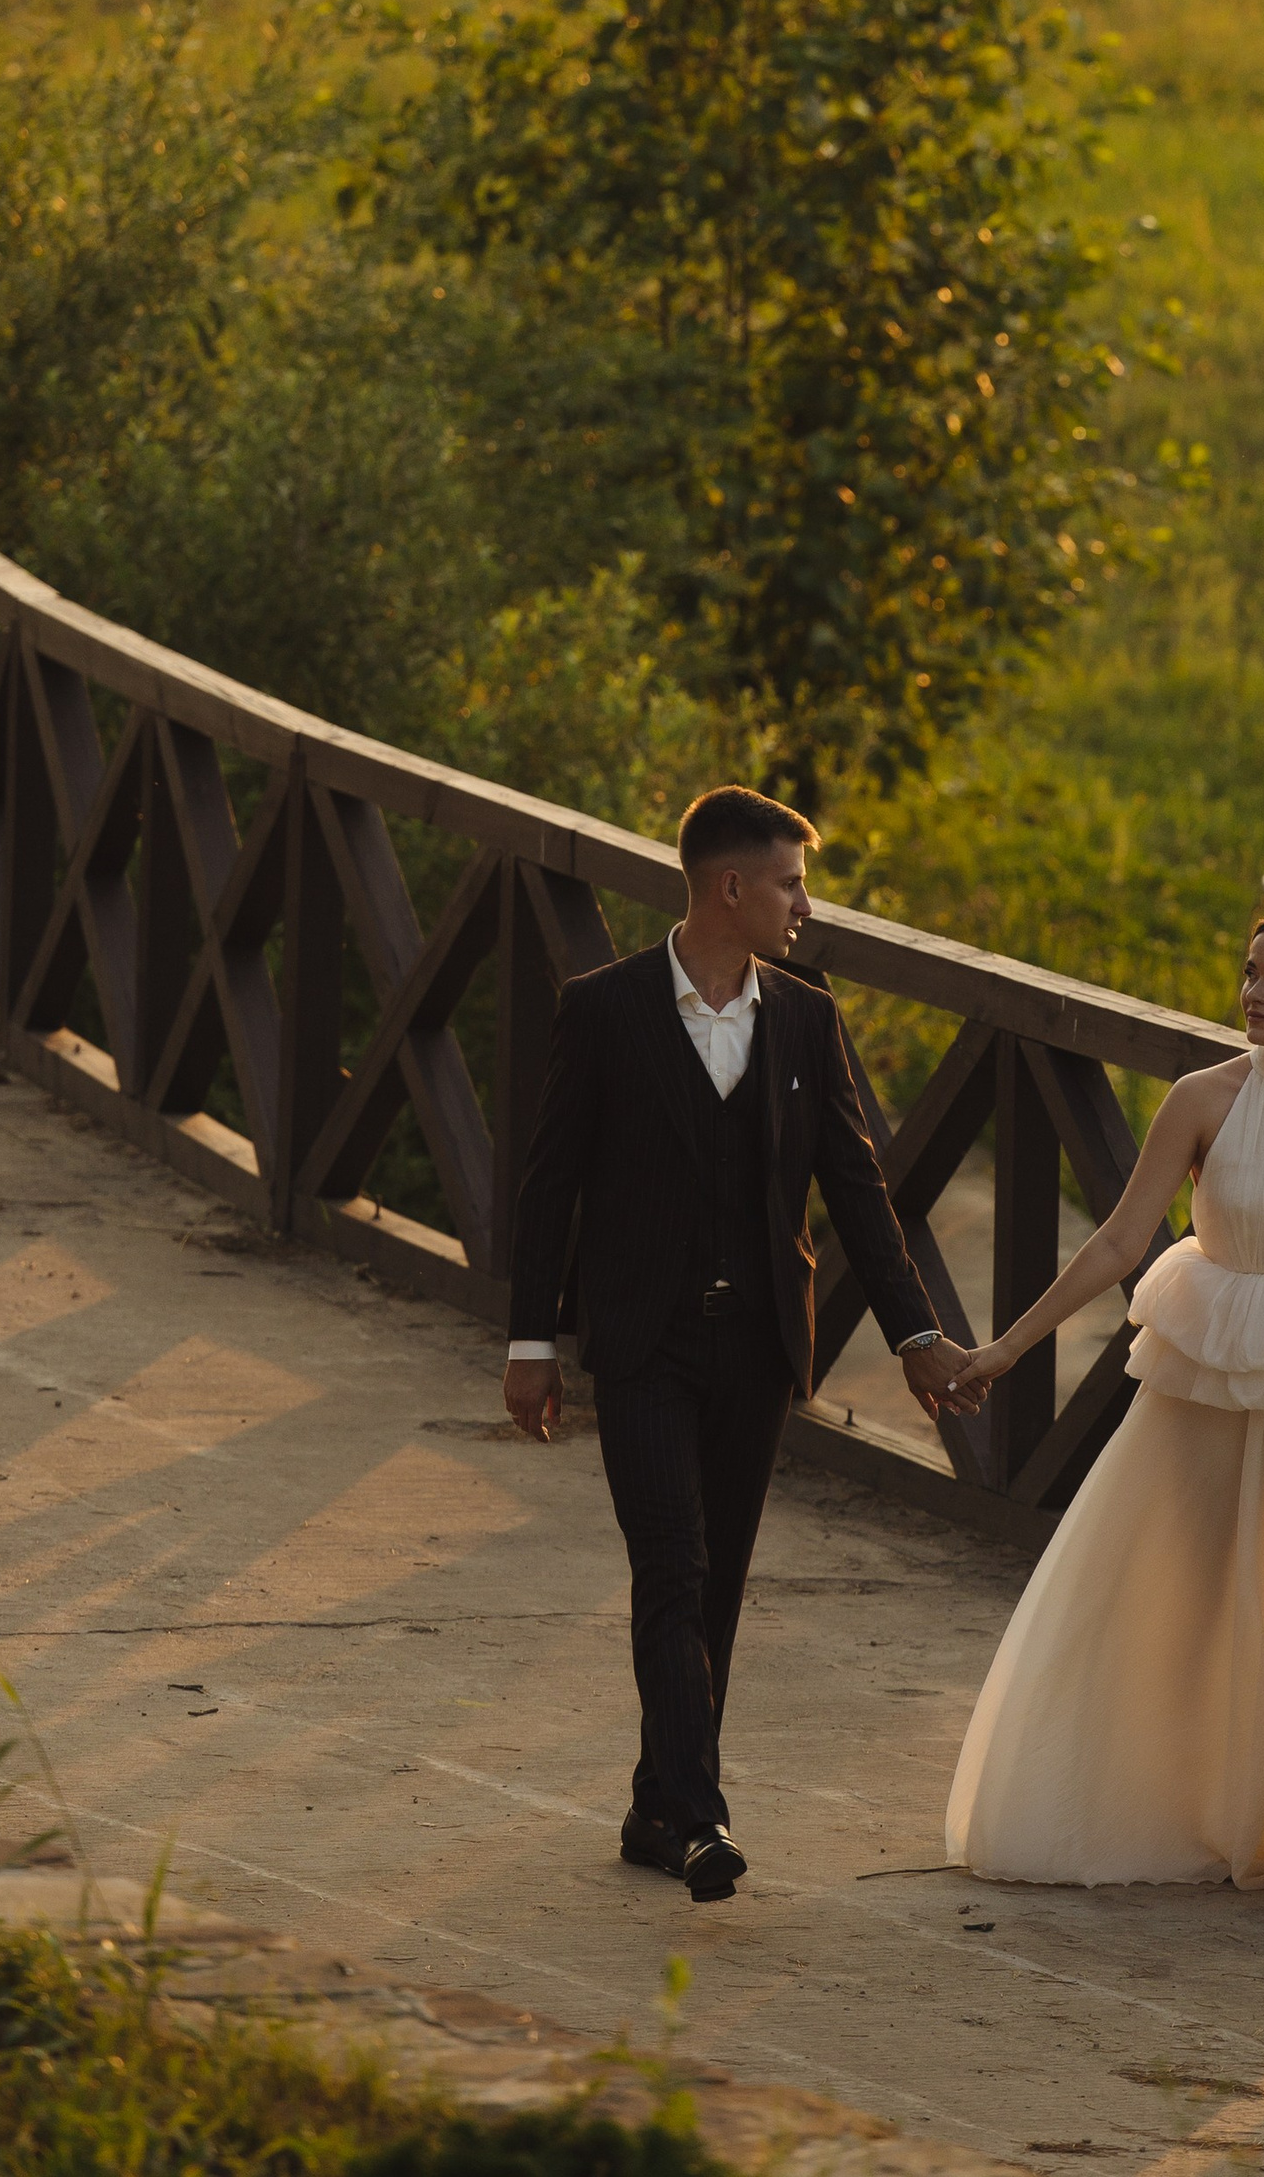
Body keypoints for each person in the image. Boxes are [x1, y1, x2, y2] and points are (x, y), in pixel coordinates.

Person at [504, 785, 979, 1903]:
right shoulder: (607, 1008)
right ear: (730, 886)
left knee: (714, 1583)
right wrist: (530, 1339)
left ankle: (654, 1803)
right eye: (789, 882)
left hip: (758, 1344)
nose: (804, 905)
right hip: (641, 1341)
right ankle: (702, 1817)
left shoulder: (807, 1018)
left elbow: (856, 1188)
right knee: (671, 1561)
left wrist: (916, 1330)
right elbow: (548, 1184)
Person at [944, 905, 1264, 1925]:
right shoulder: (1201, 1097)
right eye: (1250, 972)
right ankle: (1173, 1811)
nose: (1254, 993)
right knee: (1177, 1585)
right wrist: (1007, 1344)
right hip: (1211, 1363)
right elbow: (1119, 1241)